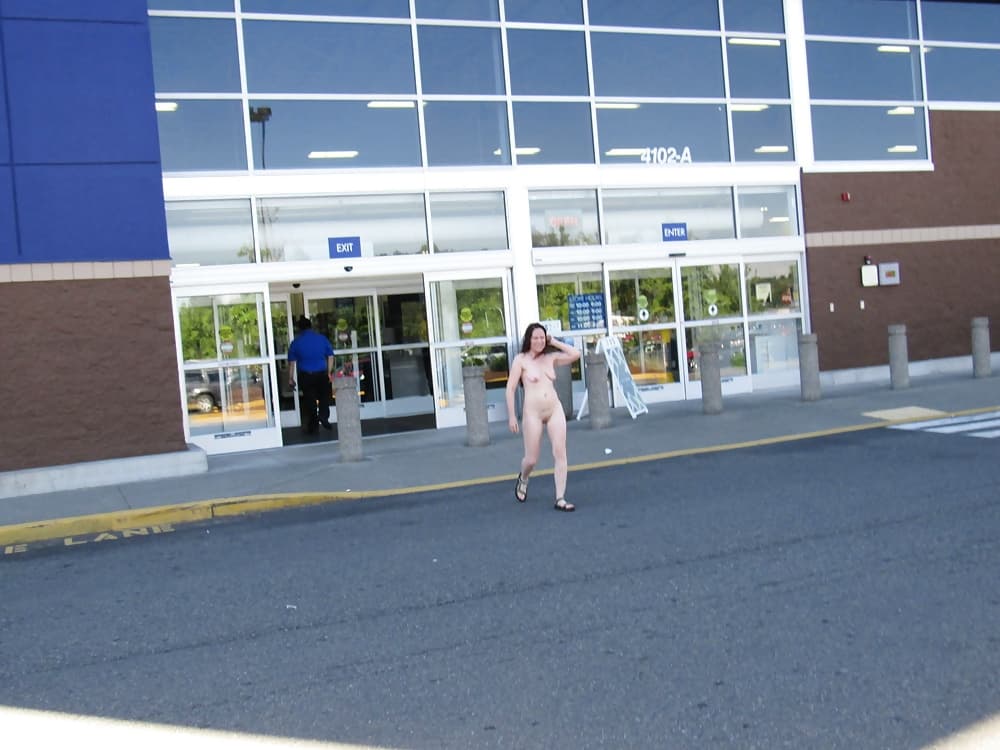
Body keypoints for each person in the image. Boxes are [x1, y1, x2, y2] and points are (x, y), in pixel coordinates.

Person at [505, 323, 581, 512]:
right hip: (533, 414)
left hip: (554, 409)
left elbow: (575, 354)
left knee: (560, 452)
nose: (539, 341)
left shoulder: (551, 357)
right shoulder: (520, 360)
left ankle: (560, 498)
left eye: (542, 337)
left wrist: (554, 341)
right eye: (535, 338)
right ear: (528, 339)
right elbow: (510, 388)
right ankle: (523, 477)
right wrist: (512, 416)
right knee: (531, 459)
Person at [287, 316, 335, 433]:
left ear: (300, 329)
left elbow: (292, 363)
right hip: (321, 374)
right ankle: (323, 417)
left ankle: (313, 426)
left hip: (306, 376)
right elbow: (330, 356)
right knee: (324, 397)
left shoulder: (296, 343)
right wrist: (329, 372)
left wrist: (291, 378)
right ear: (311, 326)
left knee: (310, 400)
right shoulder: (322, 339)